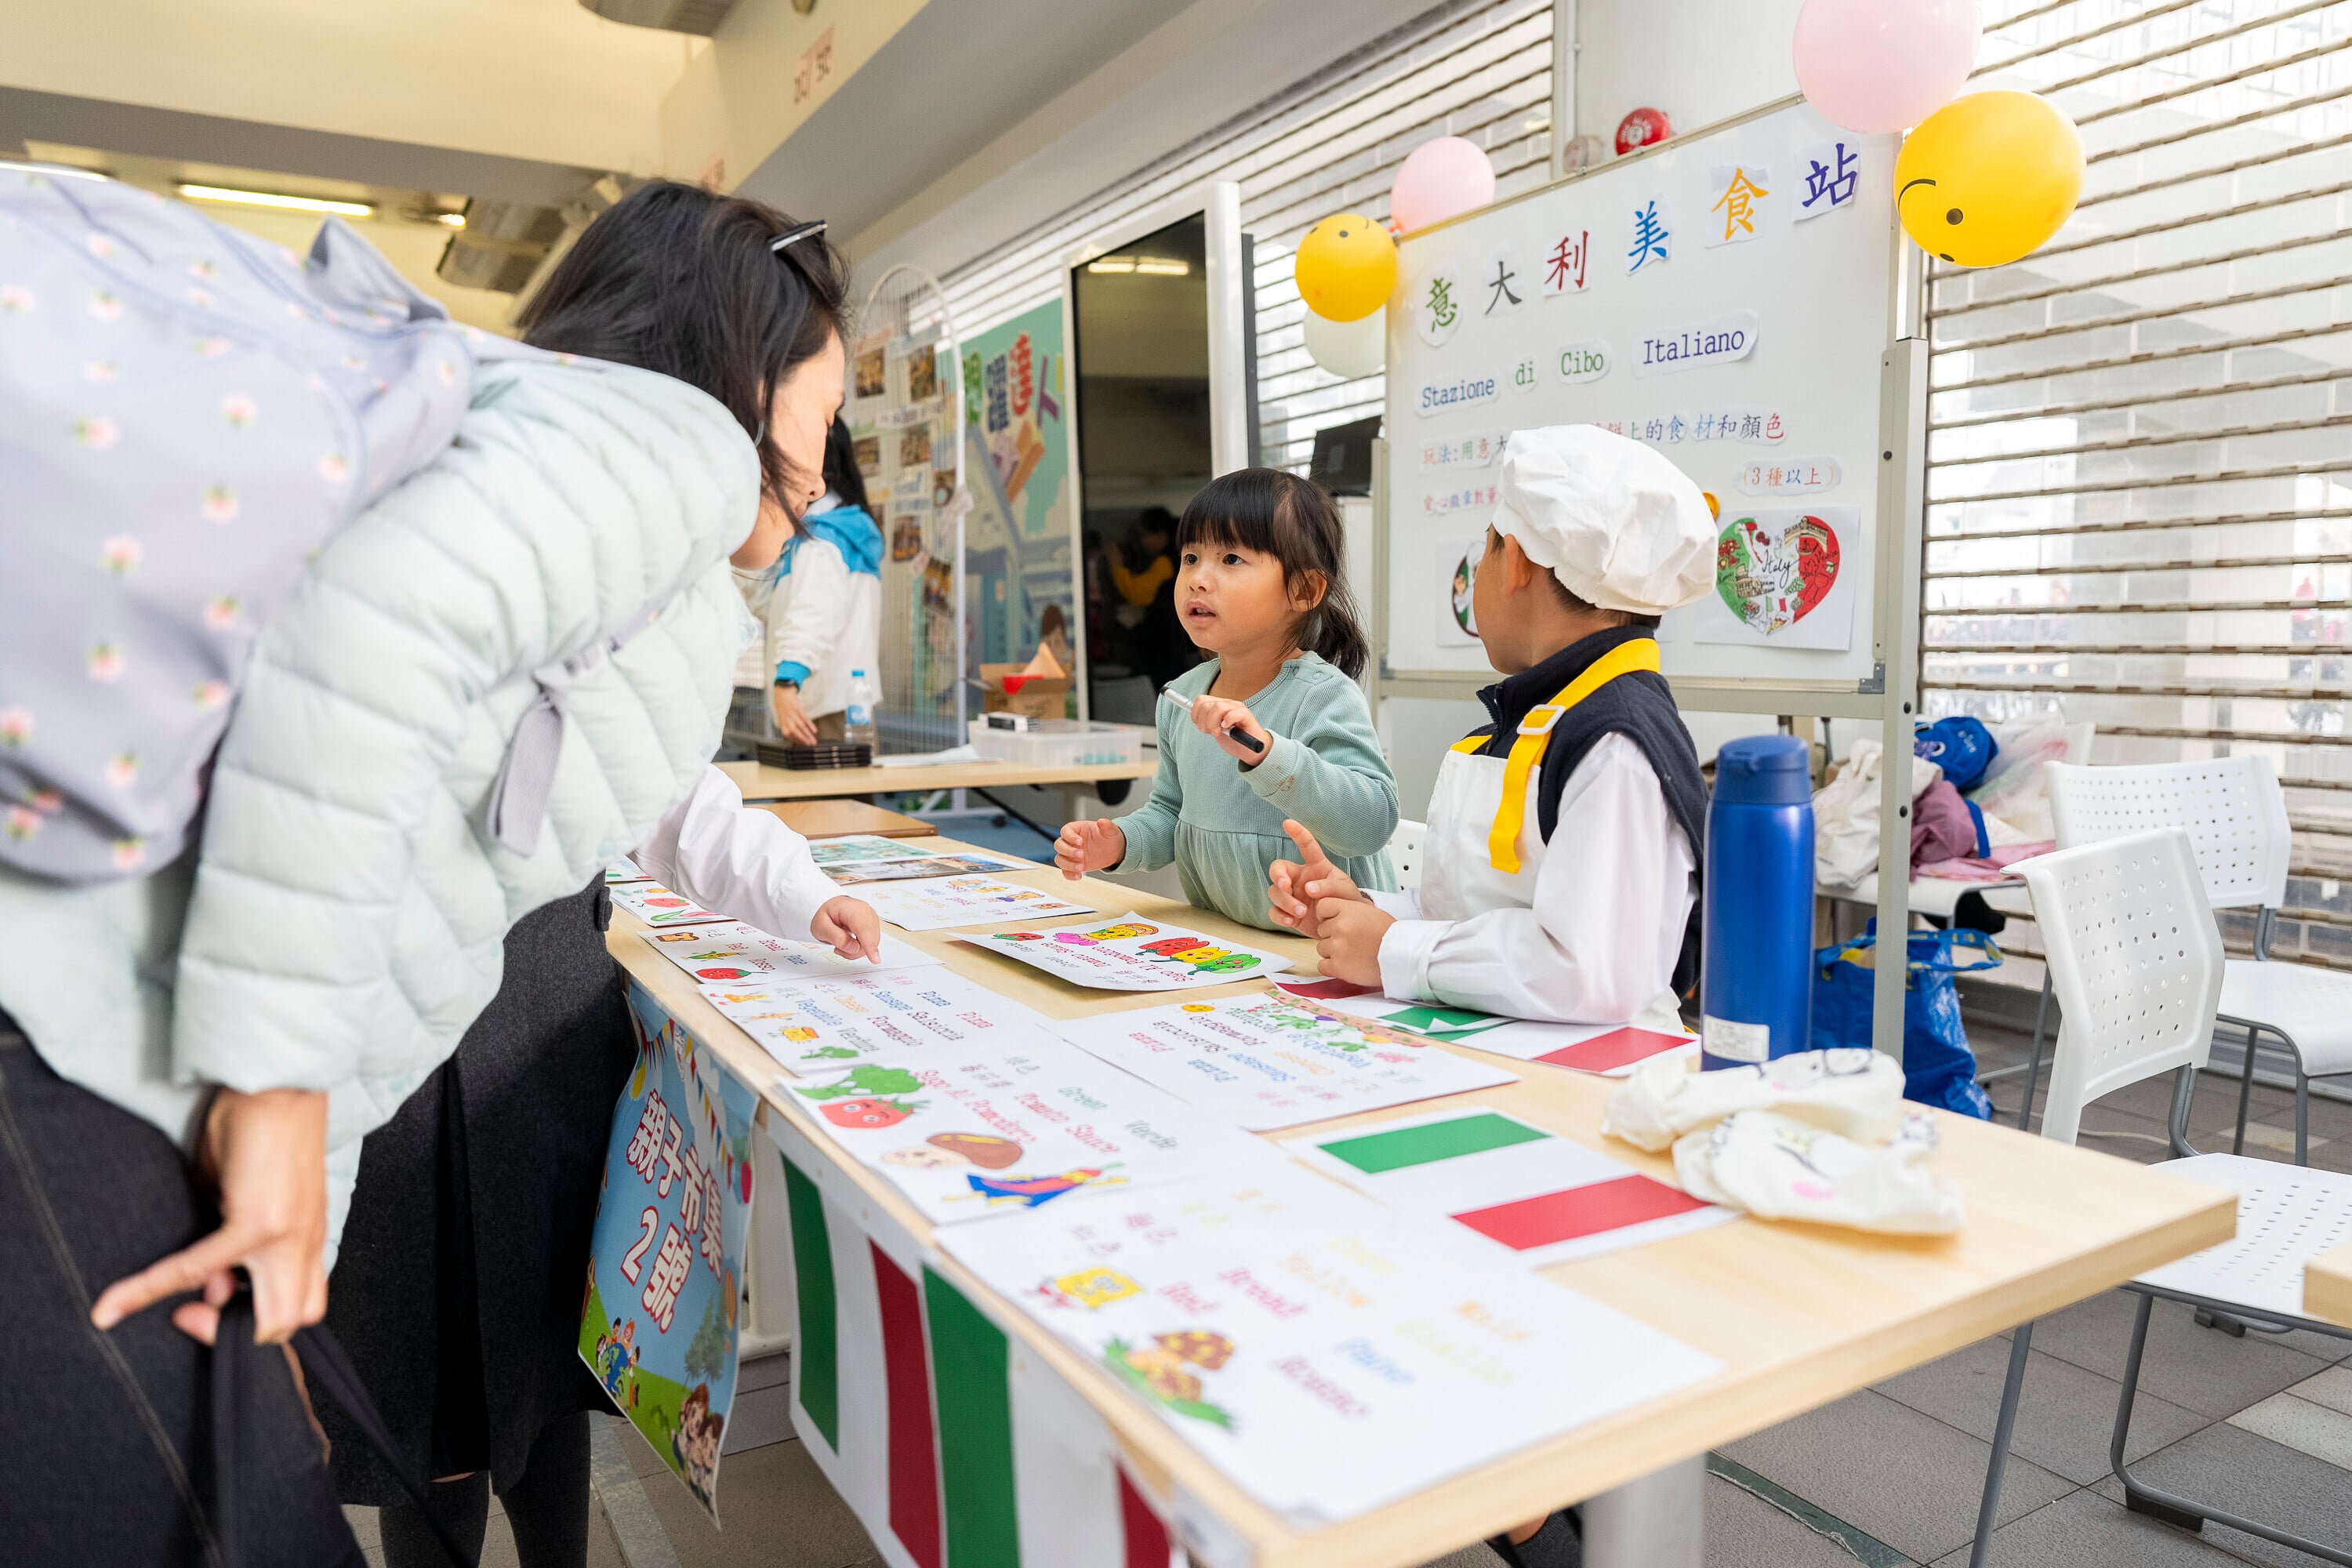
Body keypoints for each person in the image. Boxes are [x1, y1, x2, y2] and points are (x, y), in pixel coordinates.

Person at [303, 184, 880, 1568]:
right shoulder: (494, 532)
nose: (819, 462)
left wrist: (802, 895)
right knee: (415, 1378)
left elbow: (677, 795)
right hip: (407, 1040)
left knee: (548, 1364)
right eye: (814, 414)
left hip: (547, 1017)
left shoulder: (675, 590)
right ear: (725, 383)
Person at [1268, 424, 1715, 1568]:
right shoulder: (1527, 719)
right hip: (1498, 1070)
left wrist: (1396, 955)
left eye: (1486, 543)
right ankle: (1507, 1490)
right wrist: (1357, 916)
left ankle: (1546, 1517)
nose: (1477, 568)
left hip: (1585, 1114)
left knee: (1553, 1365)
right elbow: (1490, 907)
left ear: (1519, 564)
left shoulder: (1614, 739)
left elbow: (1592, 971)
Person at [1055, 469, 1397, 929]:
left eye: (1231, 558)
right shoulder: (1183, 698)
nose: (1198, 578)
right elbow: (1172, 816)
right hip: (1236, 947)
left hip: (1332, 952)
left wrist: (1271, 756)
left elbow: (1371, 822)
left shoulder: (1322, 695)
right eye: (1191, 557)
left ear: (1303, 590)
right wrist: (1118, 843)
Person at [731, 414, 883, 747]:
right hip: (833, 709)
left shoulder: (823, 540)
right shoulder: (832, 531)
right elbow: (777, 605)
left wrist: (787, 682)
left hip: (819, 715)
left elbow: (812, 615)